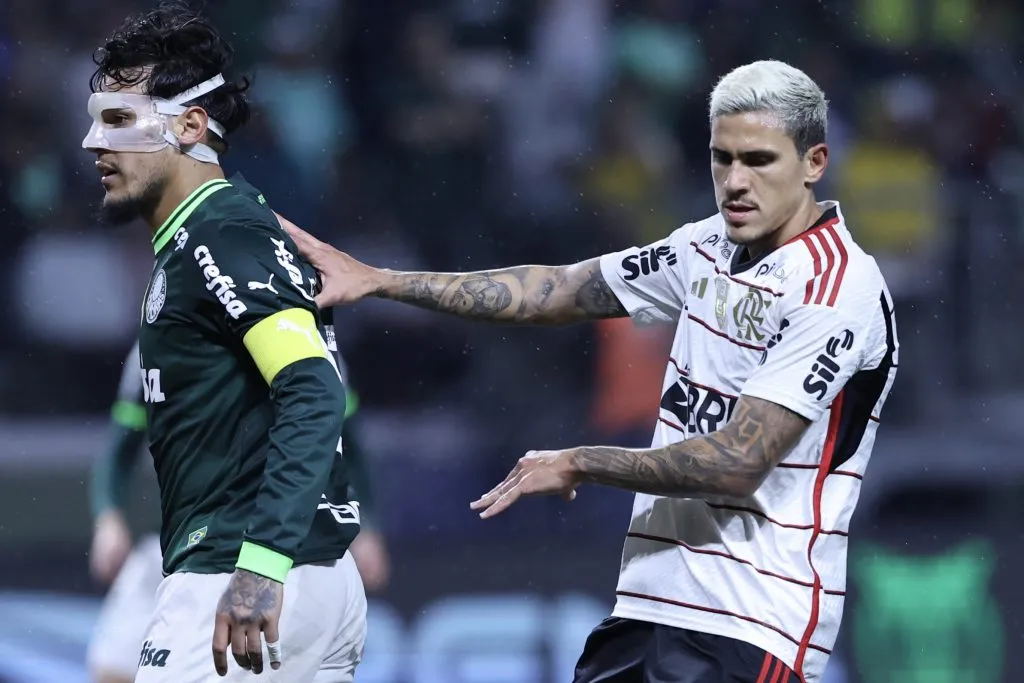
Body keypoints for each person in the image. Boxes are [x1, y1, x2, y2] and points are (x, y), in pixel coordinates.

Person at [282, 60, 899, 683]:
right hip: (646, 608)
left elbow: (737, 464)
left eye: (759, 161)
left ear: (814, 163)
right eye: (722, 158)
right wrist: (381, 280)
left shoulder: (835, 291)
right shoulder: (705, 246)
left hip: (752, 626)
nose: (735, 181)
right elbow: (559, 290)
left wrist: (580, 461)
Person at [82, 3, 366, 680]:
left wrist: (260, 567)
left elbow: (313, 389)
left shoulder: (220, 235)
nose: (95, 142)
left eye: (119, 119)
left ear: (189, 124)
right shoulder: (210, 234)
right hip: (304, 574)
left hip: (244, 573)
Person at [86, 339, 390, 683]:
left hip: (278, 551)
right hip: (183, 548)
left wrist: (367, 526)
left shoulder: (307, 338)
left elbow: (347, 445)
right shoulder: (162, 338)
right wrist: (108, 517)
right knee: (113, 671)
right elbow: (121, 444)